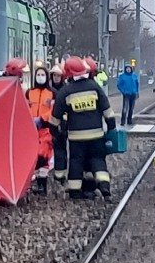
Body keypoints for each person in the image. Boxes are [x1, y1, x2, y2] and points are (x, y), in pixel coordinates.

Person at [49, 56, 117, 199]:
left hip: (76, 137)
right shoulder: (94, 87)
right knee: (98, 160)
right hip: (96, 135)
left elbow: (56, 116)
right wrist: (111, 128)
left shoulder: (66, 91)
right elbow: (108, 111)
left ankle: (75, 191)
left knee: (76, 162)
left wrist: (55, 132)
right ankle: (104, 185)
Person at [27, 66, 55, 196]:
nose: (40, 77)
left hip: (45, 129)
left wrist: (42, 119)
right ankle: (38, 184)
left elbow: (53, 110)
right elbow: (26, 106)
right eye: (38, 75)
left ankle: (42, 187)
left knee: (44, 156)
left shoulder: (52, 93)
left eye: (42, 74)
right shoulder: (29, 92)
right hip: (31, 129)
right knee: (33, 156)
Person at [49, 64, 68, 185]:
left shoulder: (65, 89)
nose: (56, 78)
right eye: (54, 75)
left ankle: (60, 175)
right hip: (48, 122)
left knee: (61, 149)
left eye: (58, 76)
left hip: (62, 123)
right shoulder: (48, 89)